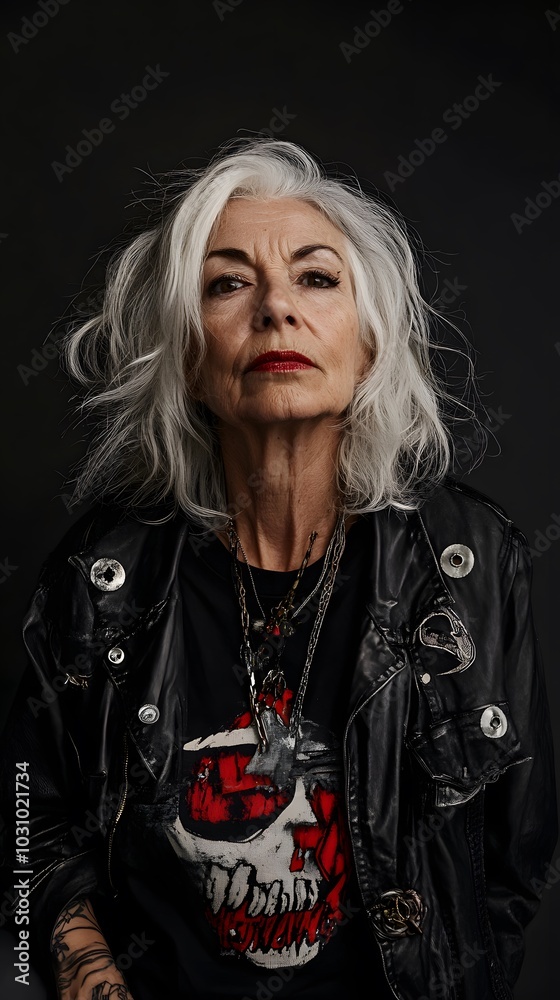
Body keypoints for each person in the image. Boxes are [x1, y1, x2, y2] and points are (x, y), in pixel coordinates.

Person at [0, 136, 557, 1000]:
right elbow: (27, 820)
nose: (276, 310)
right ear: (188, 357)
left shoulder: (469, 562)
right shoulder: (103, 573)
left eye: (317, 277)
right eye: (228, 283)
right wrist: (87, 970)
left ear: (368, 345)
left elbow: (512, 862)